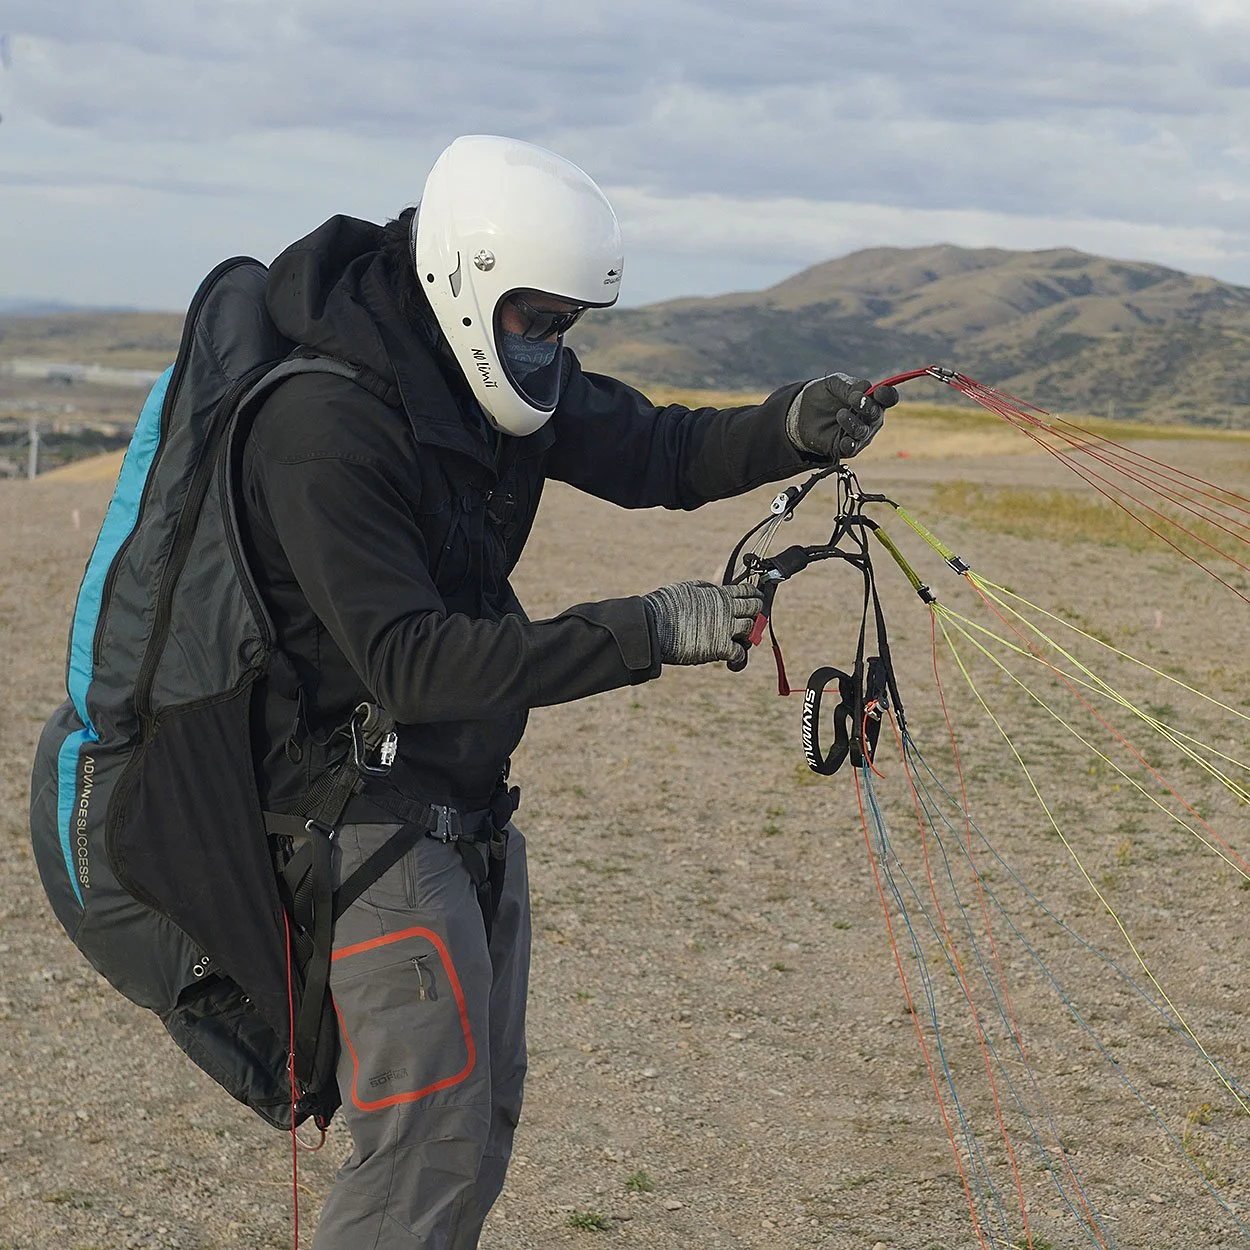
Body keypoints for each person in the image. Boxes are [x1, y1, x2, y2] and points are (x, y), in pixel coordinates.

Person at [239, 133, 898, 1249]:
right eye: (532, 320)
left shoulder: (482, 373)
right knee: (422, 1148)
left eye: (563, 325)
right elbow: (411, 660)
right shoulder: (327, 426)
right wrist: (644, 631)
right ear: (462, 281)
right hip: (356, 818)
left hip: (461, 805)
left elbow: (654, 452)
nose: (546, 346)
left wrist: (785, 426)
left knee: (474, 1124)